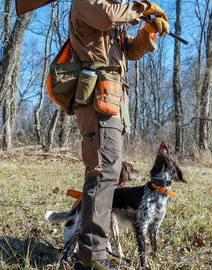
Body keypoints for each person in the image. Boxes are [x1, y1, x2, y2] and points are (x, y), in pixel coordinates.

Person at [68, 0, 169, 269]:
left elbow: (131, 52)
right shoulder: (88, 3)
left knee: (109, 175)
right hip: (95, 98)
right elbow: (107, 16)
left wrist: (149, 31)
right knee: (101, 174)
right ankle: (90, 257)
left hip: (112, 100)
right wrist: (142, 8)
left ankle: (96, 251)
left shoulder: (116, 12)